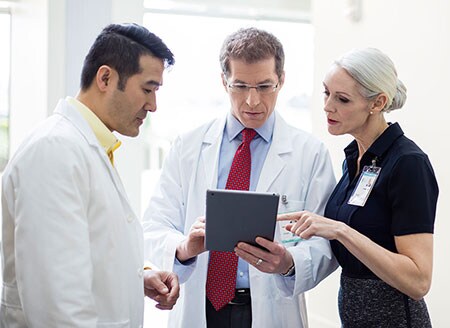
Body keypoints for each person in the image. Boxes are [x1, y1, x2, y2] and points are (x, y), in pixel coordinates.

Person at [143, 27, 338, 328]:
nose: (252, 101)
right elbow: (155, 224)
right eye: (240, 86)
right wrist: (184, 248)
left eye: (264, 86)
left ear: (281, 80)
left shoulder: (309, 154)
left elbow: (327, 242)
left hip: (272, 308)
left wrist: (289, 264)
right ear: (224, 82)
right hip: (202, 307)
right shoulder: (188, 146)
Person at [1, 23, 180, 327]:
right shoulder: (54, 151)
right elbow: (57, 304)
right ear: (106, 78)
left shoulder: (89, 146)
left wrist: (138, 274)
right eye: (148, 89)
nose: (153, 105)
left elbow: (89, 250)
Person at [278, 47, 439, 327]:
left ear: (377, 103)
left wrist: (340, 230)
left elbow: (418, 280)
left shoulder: (407, 164)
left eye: (342, 99)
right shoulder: (356, 159)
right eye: (326, 93)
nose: (328, 106)